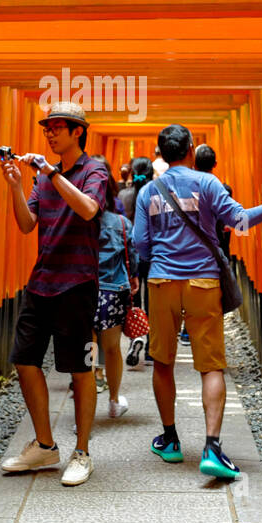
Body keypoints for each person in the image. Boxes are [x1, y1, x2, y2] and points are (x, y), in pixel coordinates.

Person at [133, 124, 262, 480]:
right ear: (191, 149)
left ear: (162, 154)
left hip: (162, 282)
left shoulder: (148, 192)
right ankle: (212, 448)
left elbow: (140, 244)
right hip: (202, 281)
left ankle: (169, 440)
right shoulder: (208, 184)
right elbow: (240, 221)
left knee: (163, 361)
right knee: (210, 366)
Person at [0, 101, 109, 487]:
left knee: (81, 368)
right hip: (41, 282)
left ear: (78, 130)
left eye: (57, 127)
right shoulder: (43, 178)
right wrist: (16, 185)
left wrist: (53, 174)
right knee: (24, 360)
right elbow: (27, 224)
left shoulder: (95, 169)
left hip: (78, 285)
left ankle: (82, 451)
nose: (50, 133)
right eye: (47, 128)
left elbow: (90, 209)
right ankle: (45, 445)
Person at [89, 155, 138, 418]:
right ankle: (114, 399)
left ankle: (82, 410)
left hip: (84, 291)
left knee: (88, 350)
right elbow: (133, 257)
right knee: (112, 350)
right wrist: (134, 279)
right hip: (112, 294)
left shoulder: (78, 222)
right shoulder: (121, 223)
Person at [122, 155, 154, 369]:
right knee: (152, 300)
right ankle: (152, 348)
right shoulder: (156, 194)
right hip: (152, 253)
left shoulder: (124, 195)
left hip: (130, 253)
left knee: (134, 301)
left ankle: (136, 337)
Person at [193, 144, 234, 257]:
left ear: (194, 165)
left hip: (194, 249)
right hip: (218, 248)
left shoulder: (187, 191)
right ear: (215, 164)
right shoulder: (225, 190)